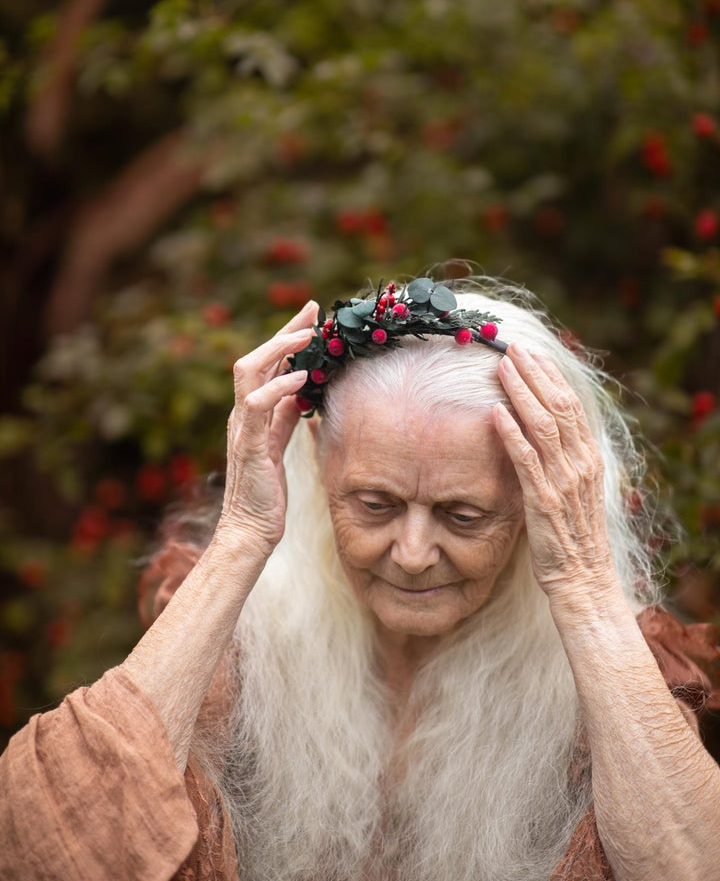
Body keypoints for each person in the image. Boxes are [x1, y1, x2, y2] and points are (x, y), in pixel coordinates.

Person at [2, 275, 720, 881]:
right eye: (374, 504)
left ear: (542, 498)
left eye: (463, 516)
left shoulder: (616, 667)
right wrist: (241, 537)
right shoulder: (235, 639)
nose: (411, 553)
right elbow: (40, 845)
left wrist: (589, 588)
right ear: (318, 459)